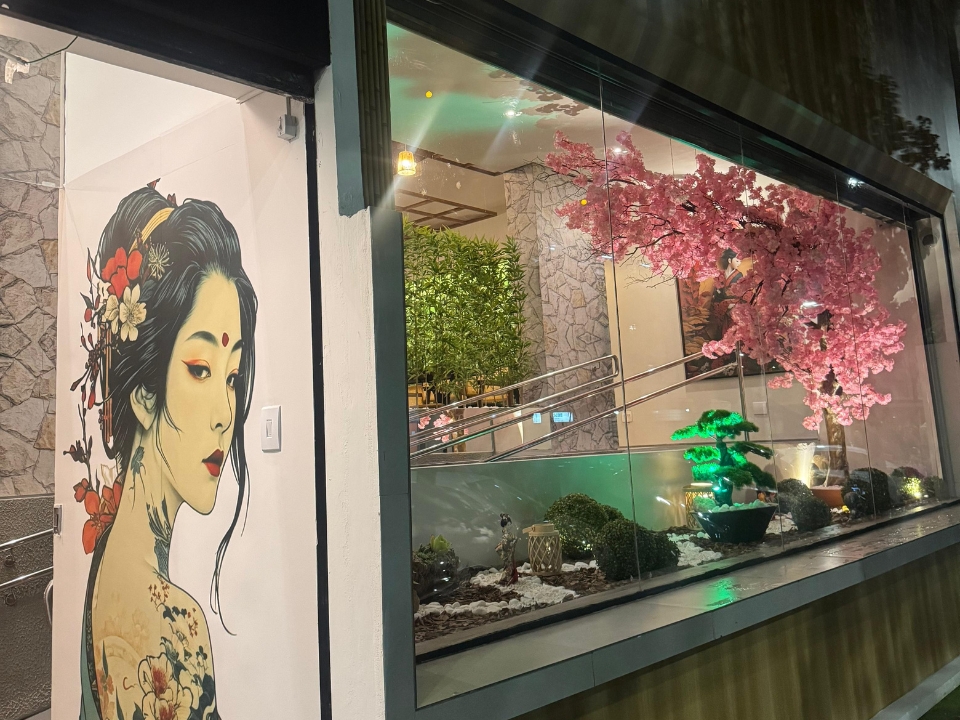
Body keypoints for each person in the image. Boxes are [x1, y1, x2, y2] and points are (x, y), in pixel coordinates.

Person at [67, 185, 258, 720]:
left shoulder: (107, 563)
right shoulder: (175, 627)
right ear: (145, 396)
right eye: (200, 369)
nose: (225, 413)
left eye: (233, 376)